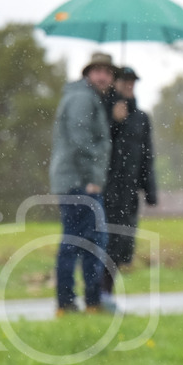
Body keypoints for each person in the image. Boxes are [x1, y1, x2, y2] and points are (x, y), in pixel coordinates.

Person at [49, 51, 115, 316]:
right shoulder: (82, 98)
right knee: (84, 242)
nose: (103, 76)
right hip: (79, 182)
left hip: (75, 181)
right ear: (87, 74)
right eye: (98, 71)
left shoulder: (88, 99)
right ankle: (82, 302)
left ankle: (82, 301)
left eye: (108, 72)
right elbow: (81, 141)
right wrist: (92, 179)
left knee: (81, 240)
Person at [101, 66, 157, 305]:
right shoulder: (104, 112)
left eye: (132, 81)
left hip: (129, 193)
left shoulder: (142, 118)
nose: (129, 85)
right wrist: (114, 122)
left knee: (123, 245)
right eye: (124, 81)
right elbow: (98, 144)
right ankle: (100, 295)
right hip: (107, 189)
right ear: (115, 83)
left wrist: (150, 189)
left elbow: (146, 156)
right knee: (108, 243)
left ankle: (107, 294)